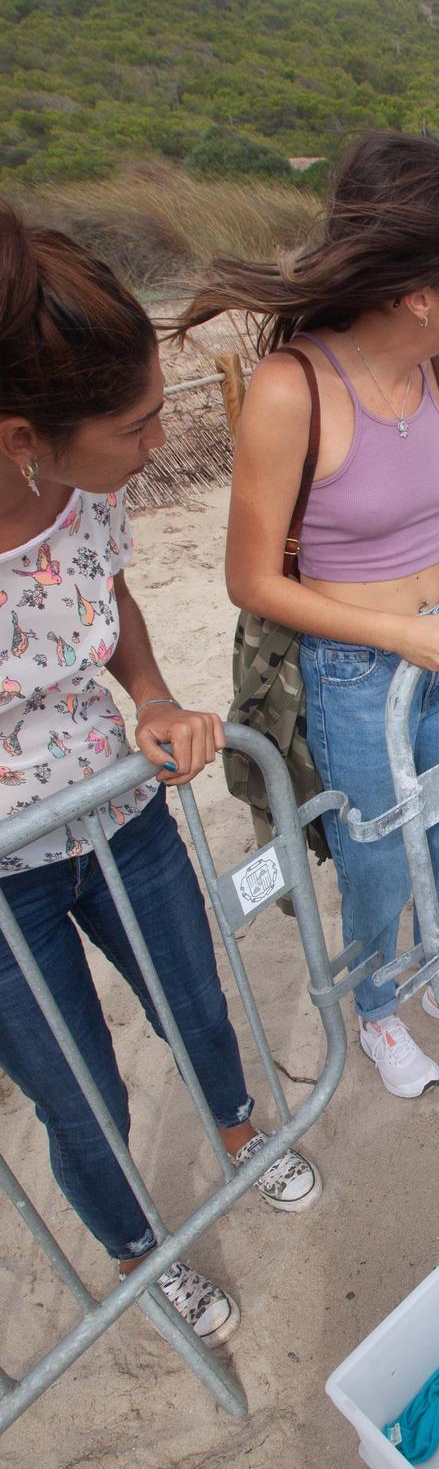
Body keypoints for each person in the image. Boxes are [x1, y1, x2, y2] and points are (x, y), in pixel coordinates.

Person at [0, 202, 321, 1350]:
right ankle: (143, 1253)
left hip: (123, 815)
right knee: (79, 1089)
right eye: (136, 427)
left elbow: (112, 601)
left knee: (192, 996)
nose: (155, 444)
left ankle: (240, 1130)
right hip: (8, 886)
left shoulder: (84, 495)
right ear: (20, 433)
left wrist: (152, 699)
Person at [184, 131, 439, 1101]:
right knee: (374, 857)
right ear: (421, 291)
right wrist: (399, 634)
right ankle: (378, 1005)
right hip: (351, 669)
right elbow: (250, 580)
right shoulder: (294, 389)